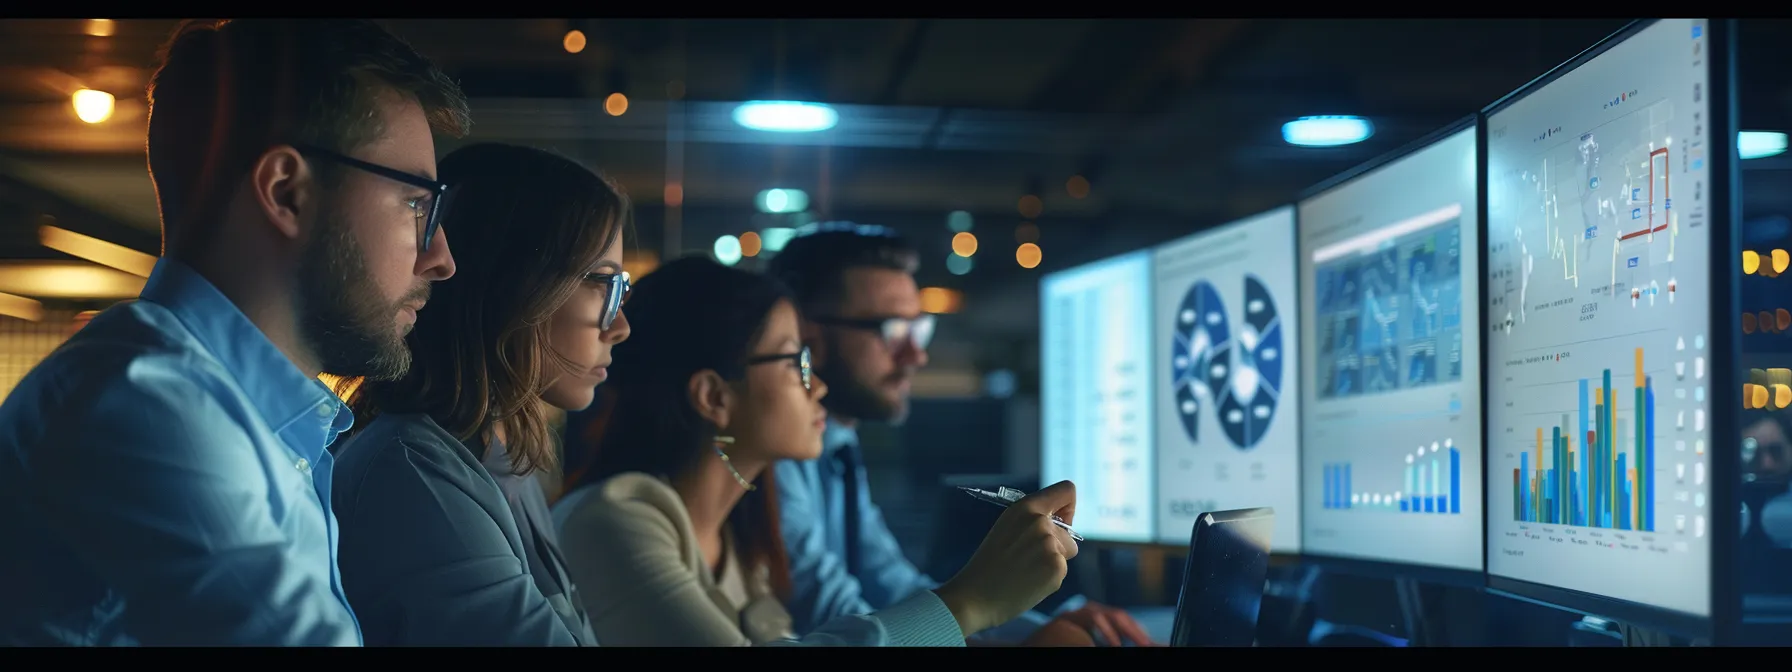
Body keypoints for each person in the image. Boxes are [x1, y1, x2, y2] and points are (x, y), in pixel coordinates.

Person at [0, 19, 468, 645]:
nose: (441, 257)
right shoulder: (146, 401)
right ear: (286, 191)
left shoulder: (263, 423)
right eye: (418, 205)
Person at [556, 256, 1080, 646]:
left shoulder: (738, 543)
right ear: (714, 396)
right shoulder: (614, 519)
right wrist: (971, 600)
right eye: (795, 363)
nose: (818, 385)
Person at [765, 223, 1156, 647]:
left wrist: (1033, 627)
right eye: (893, 330)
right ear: (809, 337)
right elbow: (830, 614)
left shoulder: (838, 443)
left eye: (919, 330)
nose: (917, 354)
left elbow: (892, 583)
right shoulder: (769, 452)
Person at [327, 143, 628, 645]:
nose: (619, 325)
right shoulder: (415, 475)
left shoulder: (499, 458)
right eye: (604, 285)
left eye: (622, 291)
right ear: (513, 285)